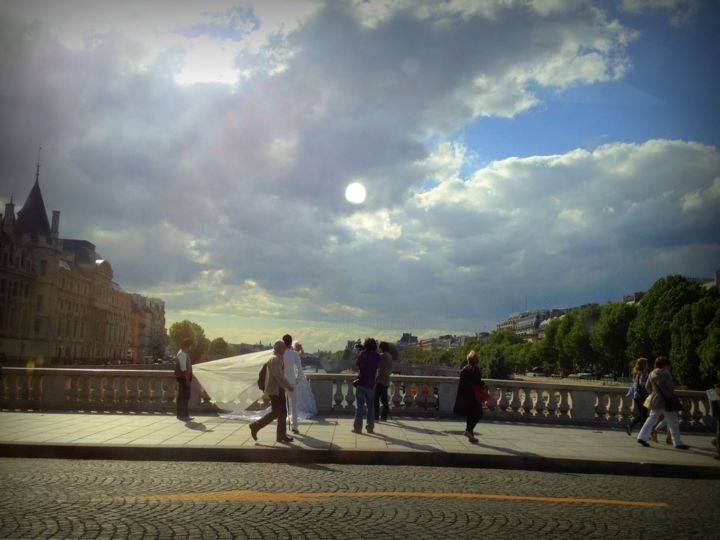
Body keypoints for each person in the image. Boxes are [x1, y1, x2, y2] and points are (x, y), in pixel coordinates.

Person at [637, 356, 690, 449]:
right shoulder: (666, 373)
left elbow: (647, 387)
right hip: (667, 400)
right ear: (665, 364)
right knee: (673, 422)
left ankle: (642, 437)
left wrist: (654, 394)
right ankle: (677, 442)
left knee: (651, 420)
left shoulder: (652, 373)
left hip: (655, 400)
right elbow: (670, 387)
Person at [249, 341, 295, 443]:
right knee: (276, 412)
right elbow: (279, 376)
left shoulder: (277, 358)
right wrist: (289, 386)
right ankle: (255, 426)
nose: (285, 350)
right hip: (275, 390)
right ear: (279, 348)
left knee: (283, 413)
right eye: (283, 348)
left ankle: (281, 436)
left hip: (278, 389)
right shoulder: (275, 359)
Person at [453, 350, 486, 444]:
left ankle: (471, 436)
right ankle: (468, 430)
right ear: (476, 360)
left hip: (464, 396)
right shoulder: (475, 369)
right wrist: (482, 384)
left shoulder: (464, 369)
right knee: (478, 413)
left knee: (470, 415)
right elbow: (477, 382)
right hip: (473, 395)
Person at [352, 338, 381, 434]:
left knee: (359, 406)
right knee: (371, 407)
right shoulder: (377, 356)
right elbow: (377, 367)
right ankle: (370, 427)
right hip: (371, 384)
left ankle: (357, 428)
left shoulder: (362, 354)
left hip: (361, 383)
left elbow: (358, 365)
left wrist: (362, 351)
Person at [282, 334, 303, 434]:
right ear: (291, 342)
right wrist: (297, 380)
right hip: (291, 381)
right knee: (294, 405)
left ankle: (282, 427)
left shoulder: (280, 353)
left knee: (282, 405)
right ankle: (295, 427)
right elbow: (299, 369)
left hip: (281, 381)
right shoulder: (295, 354)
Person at [291, 341, 318, 419]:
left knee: (301, 392)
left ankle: (298, 408)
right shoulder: (294, 354)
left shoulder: (295, 354)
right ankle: (299, 408)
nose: (299, 349)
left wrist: (301, 347)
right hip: (297, 374)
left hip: (299, 374)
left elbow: (302, 353)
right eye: (298, 347)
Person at [625, 358, 649, 435]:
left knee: (643, 414)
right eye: (646, 363)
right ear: (644, 365)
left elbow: (634, 385)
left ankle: (640, 432)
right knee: (643, 414)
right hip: (642, 396)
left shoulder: (637, 373)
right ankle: (634, 428)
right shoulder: (643, 373)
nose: (648, 364)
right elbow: (641, 383)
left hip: (637, 396)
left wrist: (629, 393)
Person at [175, 338, 193, 421]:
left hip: (181, 377)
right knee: (185, 396)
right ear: (187, 346)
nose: (191, 348)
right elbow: (184, 369)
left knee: (181, 396)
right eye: (190, 346)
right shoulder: (182, 354)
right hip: (183, 378)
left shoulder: (182, 353)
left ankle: (180, 414)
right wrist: (187, 380)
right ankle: (184, 415)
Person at [374, 341, 392, 422]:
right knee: (385, 400)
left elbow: (379, 368)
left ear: (381, 347)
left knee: (376, 399)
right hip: (386, 380)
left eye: (379, 347)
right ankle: (384, 417)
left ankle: (376, 416)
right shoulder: (389, 356)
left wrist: (376, 377)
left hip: (380, 380)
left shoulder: (382, 356)